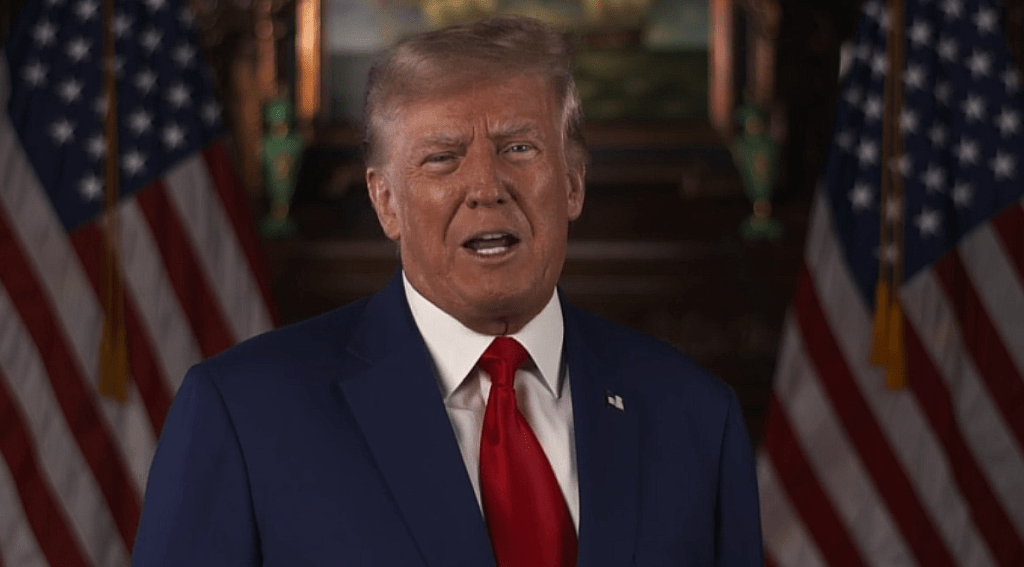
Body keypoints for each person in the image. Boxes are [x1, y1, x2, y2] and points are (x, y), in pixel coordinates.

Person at [131, 15, 763, 567]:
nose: (486, 187)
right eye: (442, 158)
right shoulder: (243, 414)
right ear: (386, 202)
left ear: (573, 183)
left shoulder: (695, 417)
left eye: (519, 147)